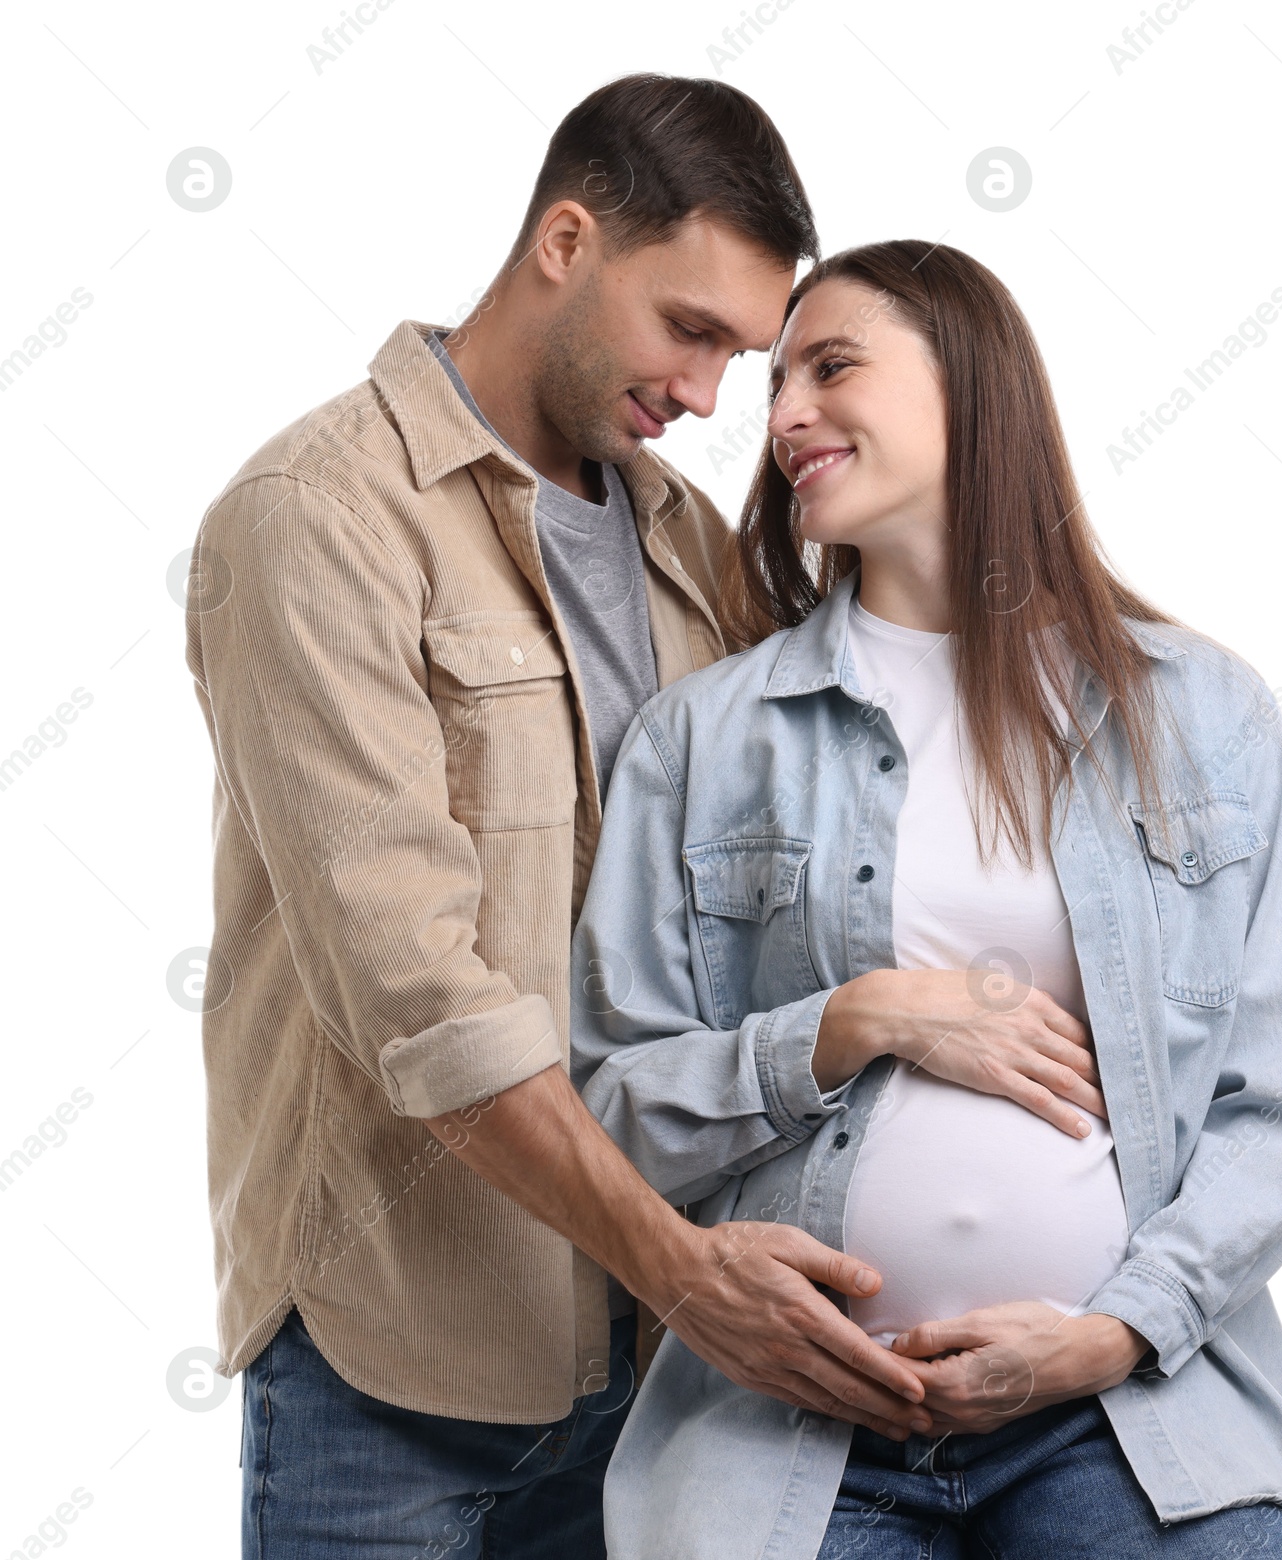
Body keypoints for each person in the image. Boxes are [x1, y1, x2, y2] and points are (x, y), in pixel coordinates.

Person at [184, 79, 936, 1560]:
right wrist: (686, 1269)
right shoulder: (318, 517)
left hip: (647, 1374)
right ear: (567, 240)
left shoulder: (682, 539)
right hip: (396, 1356)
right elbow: (415, 990)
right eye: (693, 329)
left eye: (744, 349)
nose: (715, 395)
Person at [571, 240, 1282, 1558]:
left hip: (1125, 1417)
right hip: (790, 1441)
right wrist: (855, 1020)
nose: (782, 418)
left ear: (969, 387)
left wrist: (1110, 1333)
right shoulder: (702, 740)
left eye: (831, 368)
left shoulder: (1201, 714)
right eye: (777, 387)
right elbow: (612, 1108)